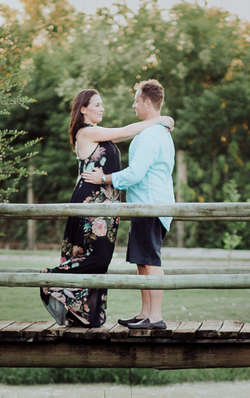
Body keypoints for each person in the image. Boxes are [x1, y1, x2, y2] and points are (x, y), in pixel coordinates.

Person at [41, 89, 173, 327]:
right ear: (83, 109)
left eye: (102, 104)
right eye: (97, 105)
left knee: (99, 257)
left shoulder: (98, 132)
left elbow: (123, 135)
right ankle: (52, 278)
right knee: (98, 257)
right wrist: (159, 119)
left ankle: (84, 315)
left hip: (106, 206)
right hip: (92, 202)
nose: (102, 109)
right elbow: (125, 132)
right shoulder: (87, 131)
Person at [82, 79, 175, 330]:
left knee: (151, 262)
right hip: (147, 206)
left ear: (147, 102)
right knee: (142, 261)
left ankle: (155, 318)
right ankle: (145, 313)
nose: (133, 104)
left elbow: (134, 174)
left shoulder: (149, 137)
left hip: (150, 206)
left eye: (136, 100)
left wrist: (104, 178)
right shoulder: (159, 132)